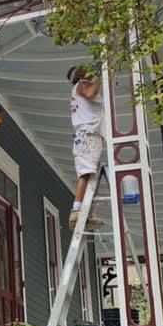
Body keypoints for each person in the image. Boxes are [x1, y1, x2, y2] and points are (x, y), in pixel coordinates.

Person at [67, 65, 104, 230]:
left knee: (90, 175)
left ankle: (85, 213)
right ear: (79, 76)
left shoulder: (79, 89)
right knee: (86, 173)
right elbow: (91, 93)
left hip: (88, 137)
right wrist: (101, 75)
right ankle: (76, 211)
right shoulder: (82, 85)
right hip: (88, 137)